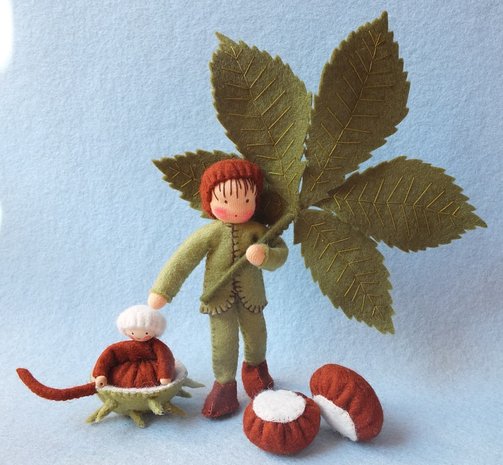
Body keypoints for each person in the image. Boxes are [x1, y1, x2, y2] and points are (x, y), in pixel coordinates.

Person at [148, 159, 288, 418]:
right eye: (225, 200)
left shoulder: (259, 231)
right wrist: (163, 290)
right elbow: (183, 260)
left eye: (246, 200)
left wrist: (264, 255)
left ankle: (256, 372)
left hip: (252, 299)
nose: (236, 207)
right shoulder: (210, 233)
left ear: (255, 200)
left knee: (257, 337)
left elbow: (280, 253)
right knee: (223, 343)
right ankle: (224, 385)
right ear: (209, 201)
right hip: (219, 300)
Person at [92, 305, 175, 389]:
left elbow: (165, 358)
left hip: (151, 371)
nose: (138, 336)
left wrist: (165, 375)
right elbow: (109, 355)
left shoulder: (157, 346)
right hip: (126, 371)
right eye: (132, 333)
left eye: (146, 333)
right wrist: (100, 374)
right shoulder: (124, 346)